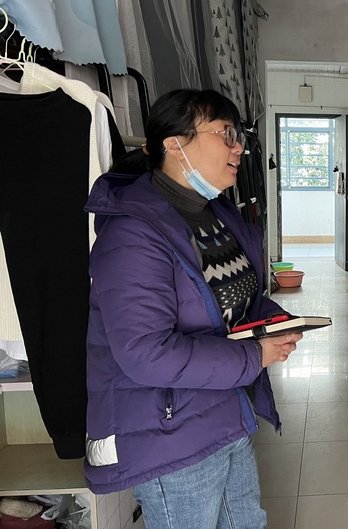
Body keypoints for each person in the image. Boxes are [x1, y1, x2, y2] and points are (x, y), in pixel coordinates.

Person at [84, 89, 302, 528]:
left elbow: (231, 300)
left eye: (238, 136)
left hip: (225, 408)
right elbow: (146, 353)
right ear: (174, 144)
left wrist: (274, 321)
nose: (238, 148)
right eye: (225, 134)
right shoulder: (133, 234)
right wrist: (253, 356)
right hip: (170, 430)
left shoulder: (216, 215)